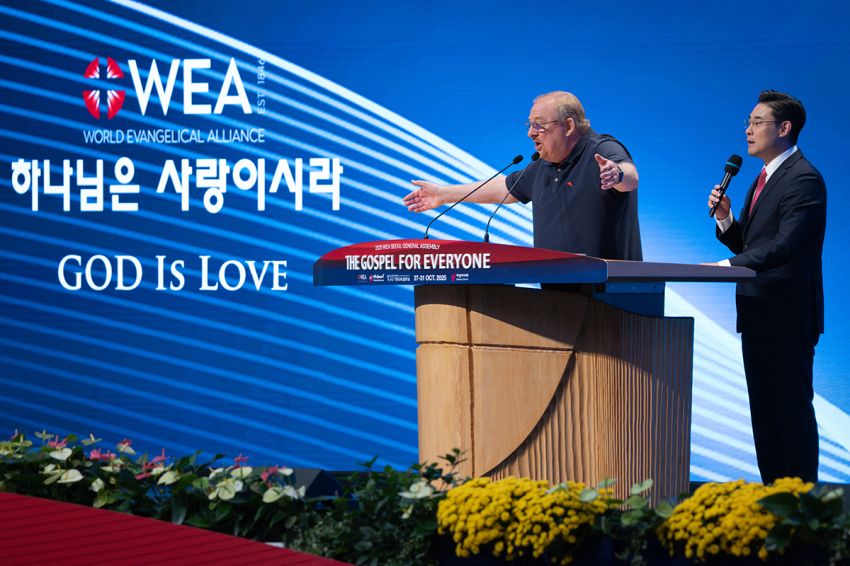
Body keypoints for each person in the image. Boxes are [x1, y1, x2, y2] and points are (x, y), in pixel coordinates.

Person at [706, 90, 827, 483]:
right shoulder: (762, 177)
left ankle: (801, 509)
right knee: (764, 414)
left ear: (785, 128)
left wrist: (727, 265)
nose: (748, 130)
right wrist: (726, 221)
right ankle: (770, 500)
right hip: (757, 311)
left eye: (757, 122)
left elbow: (786, 246)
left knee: (790, 412)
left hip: (788, 315)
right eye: (748, 122)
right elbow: (752, 247)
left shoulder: (804, 178)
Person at [403, 91, 642, 260]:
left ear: (568, 126)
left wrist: (617, 175)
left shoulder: (600, 149)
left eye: (539, 125)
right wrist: (443, 194)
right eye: (529, 124)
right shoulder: (544, 164)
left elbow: (630, 177)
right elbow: (503, 188)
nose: (530, 133)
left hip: (610, 295)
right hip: (559, 294)